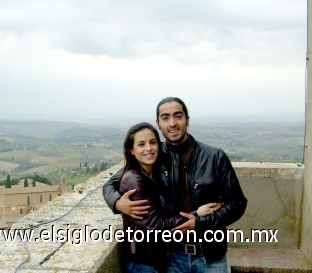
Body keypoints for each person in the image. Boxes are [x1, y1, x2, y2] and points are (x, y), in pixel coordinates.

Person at [103, 97, 247, 273]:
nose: (172, 123)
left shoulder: (214, 157)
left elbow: (238, 203)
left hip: (210, 256)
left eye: (178, 116)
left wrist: (201, 221)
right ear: (158, 124)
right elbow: (111, 183)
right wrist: (117, 202)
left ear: (187, 119)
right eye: (165, 118)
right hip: (171, 256)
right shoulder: (154, 155)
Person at [118, 122, 221, 273]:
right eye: (141, 144)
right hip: (143, 263)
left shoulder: (154, 173)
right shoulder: (134, 179)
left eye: (153, 142)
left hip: (156, 260)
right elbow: (155, 225)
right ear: (132, 150)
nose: (149, 148)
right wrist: (196, 214)